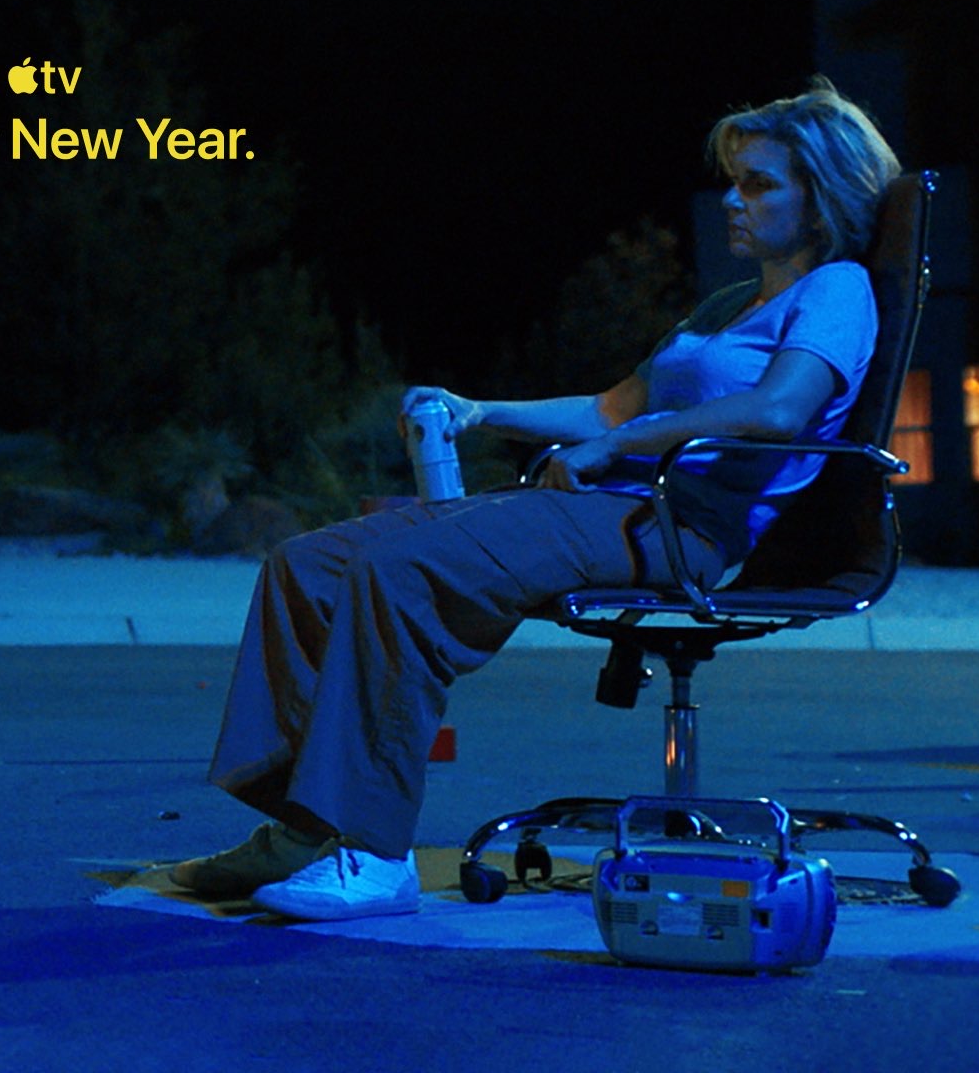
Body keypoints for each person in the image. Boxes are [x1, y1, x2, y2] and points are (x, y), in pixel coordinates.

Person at [169, 78, 902, 920]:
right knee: (308, 563)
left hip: (679, 523)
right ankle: (304, 828)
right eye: (733, 181)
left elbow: (778, 410)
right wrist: (480, 410)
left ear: (821, 199)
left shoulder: (836, 289)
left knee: (402, 569)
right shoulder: (733, 304)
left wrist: (620, 446)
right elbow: (609, 408)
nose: (733, 201)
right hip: (607, 505)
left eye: (760, 184)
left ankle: (371, 850)